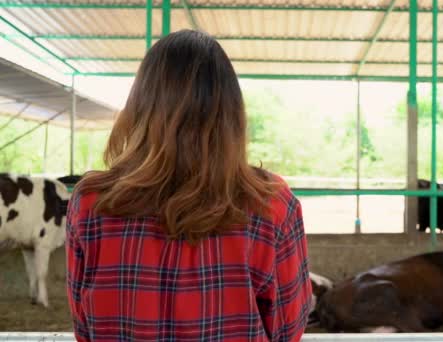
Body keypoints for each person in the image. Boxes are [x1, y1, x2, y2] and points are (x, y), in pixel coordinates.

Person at [66, 30, 312, 341]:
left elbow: (84, 328)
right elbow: (287, 330)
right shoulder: (271, 204)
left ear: (139, 106)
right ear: (231, 112)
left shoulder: (90, 203)